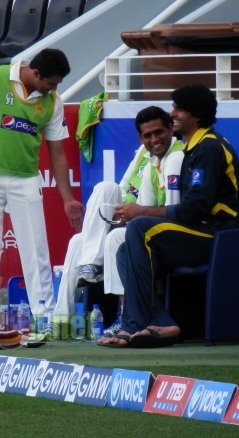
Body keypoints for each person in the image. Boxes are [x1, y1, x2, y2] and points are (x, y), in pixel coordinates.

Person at [98, 84, 239, 349]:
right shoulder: (193, 148)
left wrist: (141, 211)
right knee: (125, 251)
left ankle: (133, 325)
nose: (172, 114)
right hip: (209, 229)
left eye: (178, 109)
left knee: (139, 227)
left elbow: (191, 211)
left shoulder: (209, 148)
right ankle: (161, 322)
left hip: (228, 233)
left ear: (195, 115)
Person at [0, 48, 84, 316]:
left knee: (36, 250)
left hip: (26, 179)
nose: (54, 88)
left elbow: (57, 152)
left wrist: (68, 199)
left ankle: (45, 316)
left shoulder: (53, 101)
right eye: (51, 83)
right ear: (35, 73)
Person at [52, 106, 184, 337]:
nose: (154, 140)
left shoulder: (177, 156)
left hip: (152, 228)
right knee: (79, 237)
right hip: (129, 218)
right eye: (148, 136)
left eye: (159, 133)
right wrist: (119, 216)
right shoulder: (145, 154)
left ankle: (126, 317)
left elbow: (173, 207)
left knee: (113, 238)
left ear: (170, 129)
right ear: (140, 138)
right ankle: (62, 321)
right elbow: (123, 189)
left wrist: (131, 217)